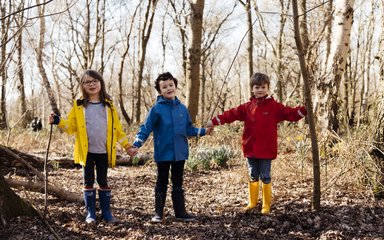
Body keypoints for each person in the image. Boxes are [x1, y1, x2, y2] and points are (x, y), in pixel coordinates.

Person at [206, 72, 307, 215]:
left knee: (265, 175)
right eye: (257, 87)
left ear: (268, 88)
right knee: (253, 175)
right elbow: (231, 114)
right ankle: (252, 202)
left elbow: (290, 113)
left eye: (263, 87)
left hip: (266, 149)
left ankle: (266, 205)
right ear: (252, 89)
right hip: (251, 148)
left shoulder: (274, 107)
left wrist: (304, 110)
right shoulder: (247, 107)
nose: (260, 90)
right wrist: (214, 121)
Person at [48, 69, 132, 224]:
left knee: (103, 180)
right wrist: (58, 121)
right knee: (88, 180)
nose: (91, 84)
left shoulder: (109, 106)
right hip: (86, 151)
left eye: (95, 81)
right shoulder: (79, 105)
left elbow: (117, 129)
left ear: (101, 83)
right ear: (83, 86)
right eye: (87, 82)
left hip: (103, 151)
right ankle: (91, 213)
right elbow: (71, 126)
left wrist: (127, 146)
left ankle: (106, 213)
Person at [128, 72, 213, 223]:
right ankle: (158, 214)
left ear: (175, 86)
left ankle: (180, 212)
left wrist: (204, 131)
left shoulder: (182, 109)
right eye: (164, 87)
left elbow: (188, 129)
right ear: (160, 91)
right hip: (163, 153)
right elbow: (145, 128)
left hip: (180, 152)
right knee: (161, 182)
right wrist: (136, 145)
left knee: (178, 182)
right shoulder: (156, 109)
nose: (168, 88)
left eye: (171, 85)